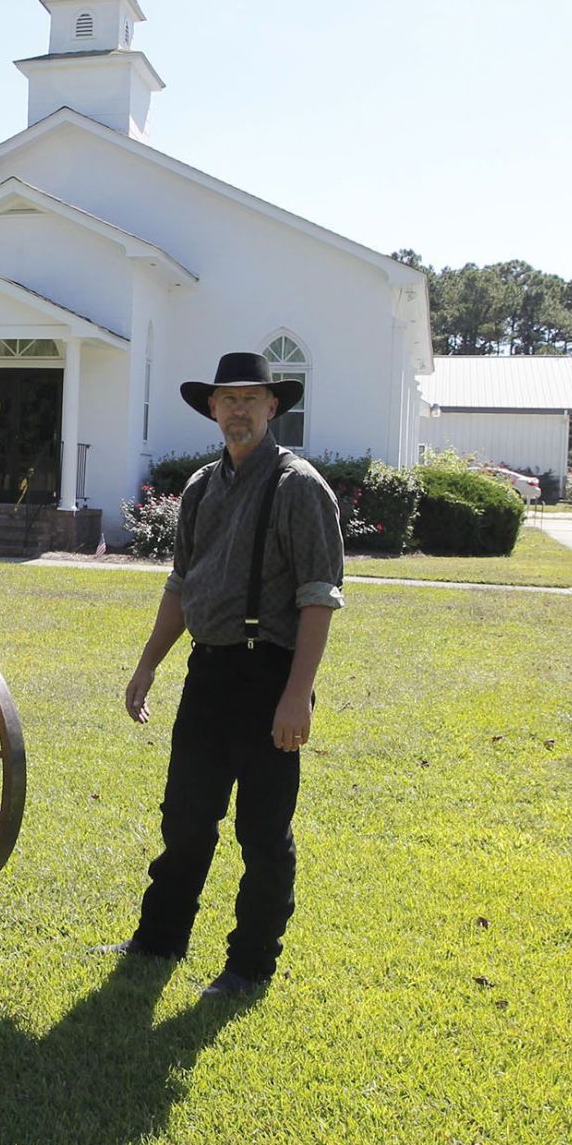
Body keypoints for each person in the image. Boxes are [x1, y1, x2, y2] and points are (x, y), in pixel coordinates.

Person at [107, 352, 344, 999]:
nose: (237, 409)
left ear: (272, 407)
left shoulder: (298, 487)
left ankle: (248, 967)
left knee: (261, 834)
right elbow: (181, 584)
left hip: (267, 676)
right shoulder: (200, 487)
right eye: (226, 398)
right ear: (211, 408)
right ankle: (158, 939)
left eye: (251, 398)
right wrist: (147, 663)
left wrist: (296, 696)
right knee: (185, 818)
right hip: (205, 674)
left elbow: (318, 596)